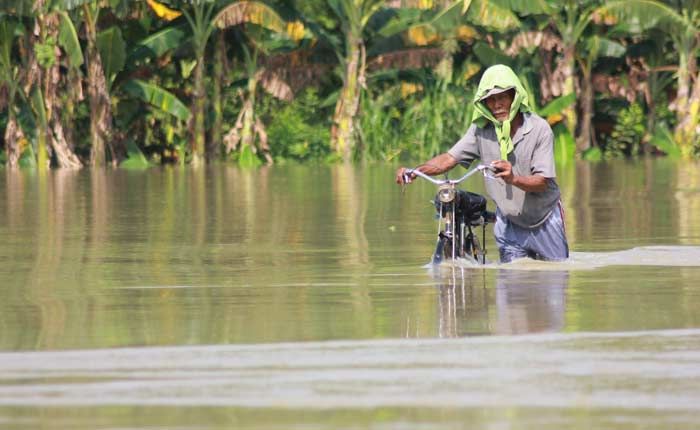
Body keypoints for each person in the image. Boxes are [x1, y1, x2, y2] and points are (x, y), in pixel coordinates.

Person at [396, 64, 568, 263]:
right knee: (510, 280)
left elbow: (542, 182)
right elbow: (449, 159)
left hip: (544, 218)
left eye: (502, 97)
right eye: (491, 100)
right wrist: (415, 171)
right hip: (509, 223)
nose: (497, 105)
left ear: (514, 97)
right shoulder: (481, 130)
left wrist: (513, 178)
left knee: (556, 274)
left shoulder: (539, 129)